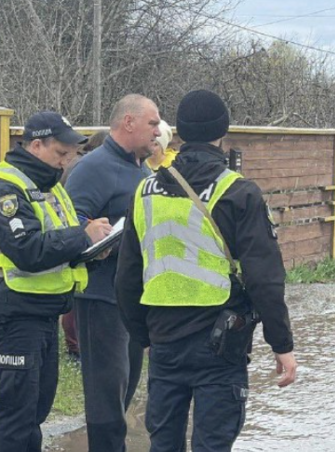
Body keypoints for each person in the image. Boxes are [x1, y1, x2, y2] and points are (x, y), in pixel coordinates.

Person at [116, 89, 297, 452]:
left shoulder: (145, 190)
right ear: (222, 131)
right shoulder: (239, 191)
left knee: (163, 444)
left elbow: (126, 278)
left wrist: (145, 337)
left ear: (178, 131)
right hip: (220, 342)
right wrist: (282, 344)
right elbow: (265, 279)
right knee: (213, 444)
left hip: (164, 339)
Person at [0, 111, 112, 452]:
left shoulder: (48, 188)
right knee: (17, 413)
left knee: (35, 410)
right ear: (36, 144)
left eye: (69, 155)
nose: (66, 162)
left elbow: (59, 242)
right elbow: (26, 250)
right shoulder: (2, 188)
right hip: (13, 313)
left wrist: (93, 245)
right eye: (60, 154)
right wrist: (81, 236)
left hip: (43, 311)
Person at [65, 95, 160, 452]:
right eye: (152, 123)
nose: (158, 131)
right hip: (100, 297)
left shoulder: (142, 169)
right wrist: (95, 231)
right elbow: (67, 221)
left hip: (134, 299)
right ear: (128, 123)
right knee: (106, 396)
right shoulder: (94, 166)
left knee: (126, 390)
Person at [59, 130, 108, 363]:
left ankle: (74, 346)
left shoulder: (76, 164)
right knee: (76, 297)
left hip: (71, 236)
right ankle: (75, 347)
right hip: (81, 235)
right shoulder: (86, 168)